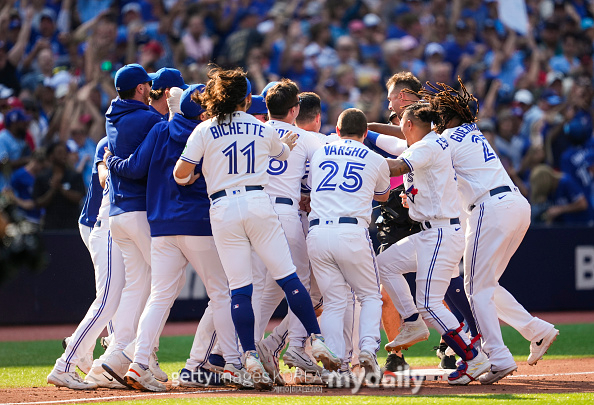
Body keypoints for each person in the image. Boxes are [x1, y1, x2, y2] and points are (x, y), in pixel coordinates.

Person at [173, 67, 340, 389]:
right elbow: (281, 153)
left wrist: (195, 175)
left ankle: (248, 355)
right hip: (260, 204)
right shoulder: (261, 127)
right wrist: (286, 145)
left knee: (240, 289)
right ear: (248, 100)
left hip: (223, 208)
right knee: (289, 277)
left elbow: (181, 174)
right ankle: (315, 339)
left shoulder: (205, 129)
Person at [103, 84, 247, 391]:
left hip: (161, 225)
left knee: (160, 297)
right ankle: (234, 364)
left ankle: (139, 363)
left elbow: (136, 167)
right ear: (204, 111)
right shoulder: (209, 132)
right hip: (197, 223)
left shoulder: (159, 129)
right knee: (221, 293)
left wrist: (110, 161)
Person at [416, 78, 559, 384]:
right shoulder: (471, 130)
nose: (437, 119)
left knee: (475, 288)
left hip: (489, 207)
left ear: (449, 116)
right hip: (515, 204)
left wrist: (371, 131)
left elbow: (414, 148)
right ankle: (537, 331)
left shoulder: (448, 138)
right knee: (487, 286)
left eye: (440, 114)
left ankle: (497, 356)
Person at [380, 102, 491, 385]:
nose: (401, 126)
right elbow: (397, 149)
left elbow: (395, 167)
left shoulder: (426, 146)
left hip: (440, 232)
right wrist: (367, 131)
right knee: (383, 265)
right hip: (431, 232)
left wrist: (357, 159)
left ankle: (473, 358)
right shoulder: (428, 142)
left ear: (409, 125)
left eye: (402, 122)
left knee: (429, 303)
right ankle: (412, 321)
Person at [307, 108, 388, 386]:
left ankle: (336, 367)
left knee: (333, 302)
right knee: (370, 296)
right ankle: (367, 348)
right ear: (365, 134)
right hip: (351, 230)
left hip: (317, 231)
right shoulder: (375, 158)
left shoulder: (321, 152)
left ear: (338, 130)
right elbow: (384, 195)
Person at [251, 79, 324, 384]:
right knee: (302, 285)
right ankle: (296, 348)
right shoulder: (303, 137)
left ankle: (248, 353)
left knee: (260, 288)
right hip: (285, 212)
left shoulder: (254, 132)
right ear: (295, 109)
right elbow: (340, 150)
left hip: (252, 210)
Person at [100, 64, 164, 384]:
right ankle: (139, 355)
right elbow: (139, 169)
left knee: (138, 285)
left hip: (117, 214)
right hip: (140, 211)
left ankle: (117, 352)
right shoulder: (150, 119)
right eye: (147, 85)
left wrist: (111, 161)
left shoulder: (112, 115)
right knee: (163, 285)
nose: (151, 89)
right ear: (140, 89)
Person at [46, 137, 126, 390]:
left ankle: (92, 348)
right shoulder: (109, 140)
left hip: (105, 223)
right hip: (96, 223)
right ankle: (75, 353)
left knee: (114, 293)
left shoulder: (123, 135)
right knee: (109, 296)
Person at [33, 141, 85, 229]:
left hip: (71, 225)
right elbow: (38, 203)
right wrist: (52, 190)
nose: (64, 156)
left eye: (65, 153)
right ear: (51, 156)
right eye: (60, 153)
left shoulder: (74, 175)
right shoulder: (42, 177)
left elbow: (79, 197)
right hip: (51, 225)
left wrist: (61, 189)